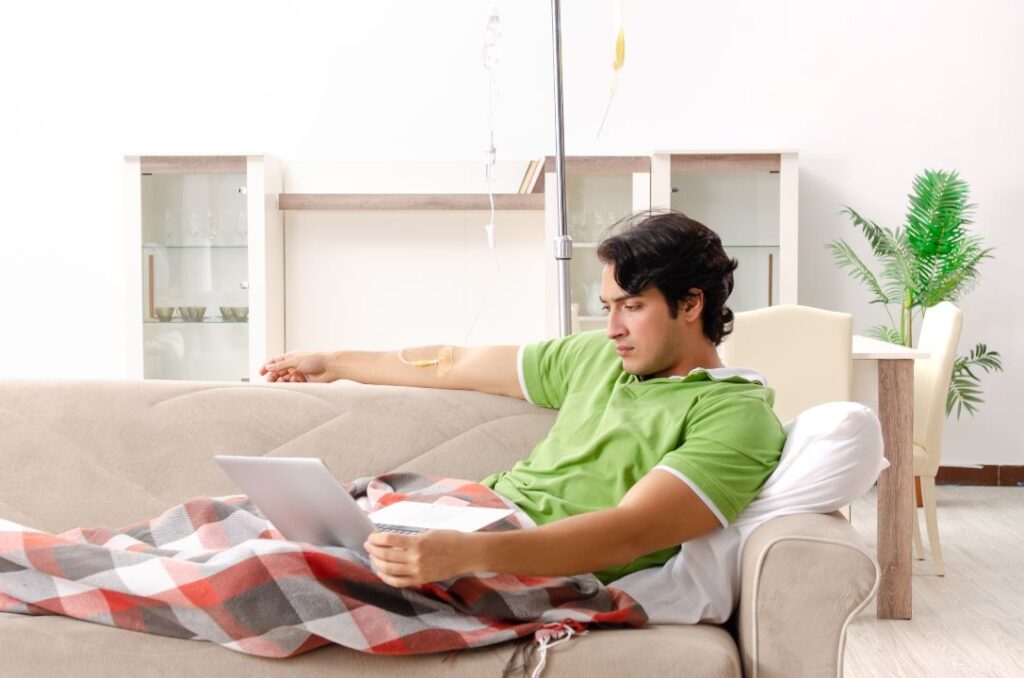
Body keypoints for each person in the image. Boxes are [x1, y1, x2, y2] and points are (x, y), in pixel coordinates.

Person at [259, 210, 786, 589]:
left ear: (691, 303)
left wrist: (467, 557)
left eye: (631, 306)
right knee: (244, 525)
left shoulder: (735, 414)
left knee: (272, 573)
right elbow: (454, 361)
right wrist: (332, 364)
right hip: (472, 515)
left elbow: (632, 532)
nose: (612, 329)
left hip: (525, 559)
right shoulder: (597, 357)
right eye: (607, 306)